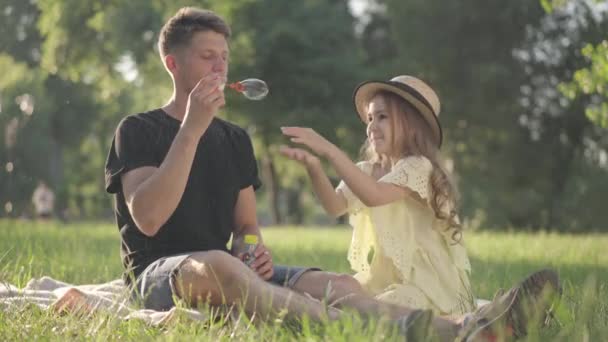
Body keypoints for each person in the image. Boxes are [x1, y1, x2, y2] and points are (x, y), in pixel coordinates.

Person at [103, 7, 450, 340]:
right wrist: (192, 129)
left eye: (224, 56)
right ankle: (375, 333)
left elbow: (247, 227)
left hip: (228, 267)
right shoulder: (137, 129)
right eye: (208, 56)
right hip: (156, 277)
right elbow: (148, 219)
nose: (220, 67)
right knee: (223, 267)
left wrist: (251, 250)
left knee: (342, 286)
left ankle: (453, 330)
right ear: (173, 64)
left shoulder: (235, 139)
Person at [280, 75, 561, 339]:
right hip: (384, 279)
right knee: (341, 289)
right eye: (369, 118)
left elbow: (375, 195)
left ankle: (480, 324)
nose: (371, 126)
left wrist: (330, 150)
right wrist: (315, 168)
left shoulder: (417, 167)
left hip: (424, 282)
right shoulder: (366, 169)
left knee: (379, 311)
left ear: (410, 125)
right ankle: (491, 316)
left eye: (382, 117)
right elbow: (334, 206)